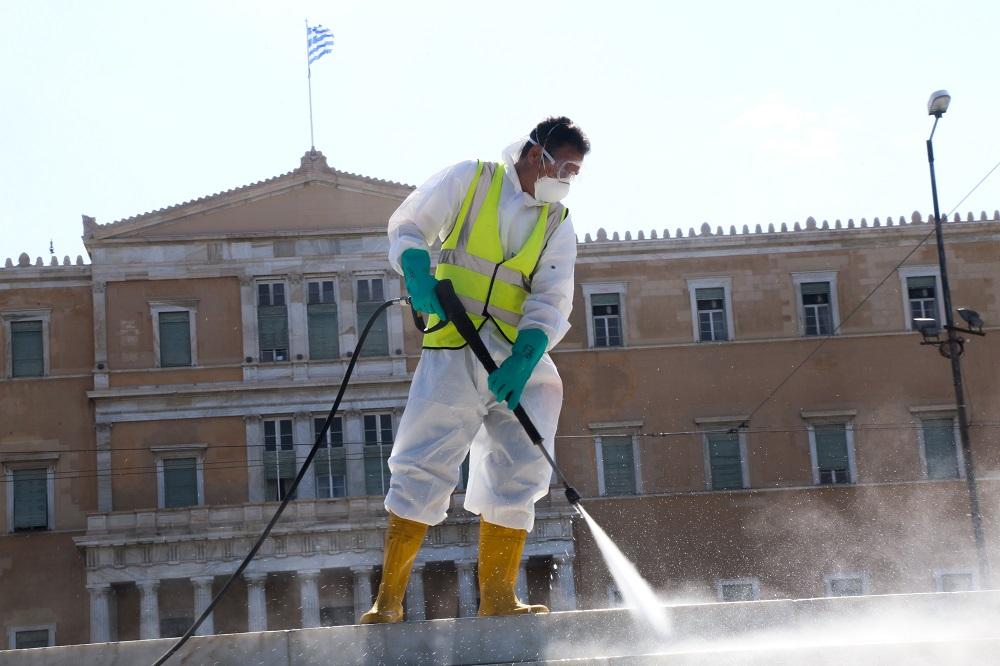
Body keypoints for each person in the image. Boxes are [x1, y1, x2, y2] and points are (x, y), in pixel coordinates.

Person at [360, 116, 590, 623]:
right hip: (455, 345)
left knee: (524, 465)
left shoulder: (557, 222)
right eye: (565, 167)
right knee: (422, 462)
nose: (568, 179)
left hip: (516, 357)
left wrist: (527, 356)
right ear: (536, 155)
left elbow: (552, 299)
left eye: (576, 172)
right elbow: (410, 223)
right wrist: (417, 271)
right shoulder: (473, 179)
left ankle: (498, 598)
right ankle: (389, 600)